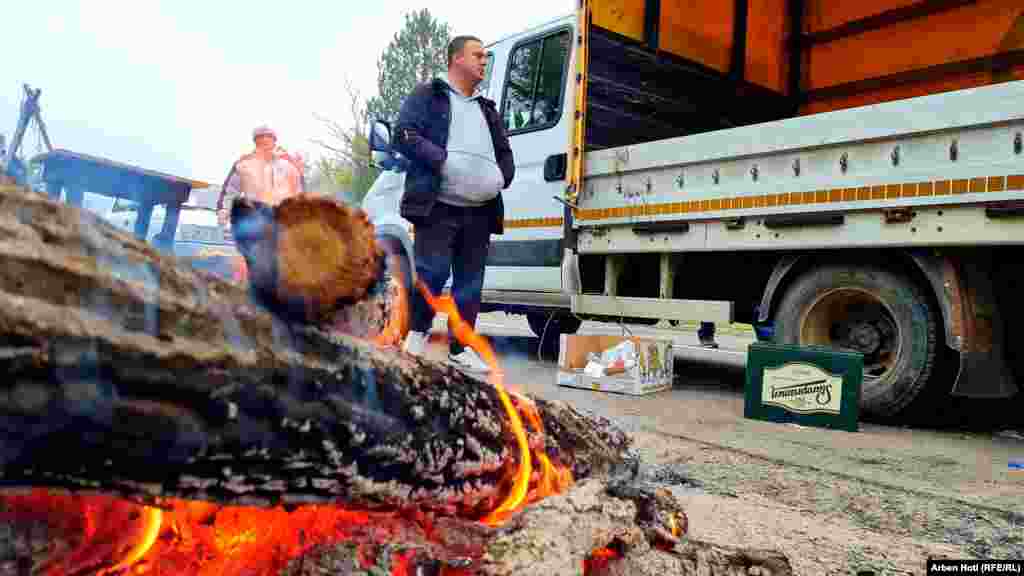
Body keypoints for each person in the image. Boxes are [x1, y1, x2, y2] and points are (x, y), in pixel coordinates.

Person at [393, 35, 514, 374]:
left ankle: (462, 347)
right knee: (432, 273)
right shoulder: (428, 96)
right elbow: (404, 134)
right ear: (456, 59)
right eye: (478, 55)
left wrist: (502, 177)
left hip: (480, 210)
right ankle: (416, 336)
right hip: (438, 205)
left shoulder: (486, 108)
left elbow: (504, 153)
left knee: (470, 282)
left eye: (485, 57)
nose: (483, 61)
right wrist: (442, 161)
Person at [216, 125, 305, 281]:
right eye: (260, 139)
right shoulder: (244, 164)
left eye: (268, 138)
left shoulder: (289, 166)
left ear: (274, 141)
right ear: (255, 142)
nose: (264, 142)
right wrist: (224, 209)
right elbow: (230, 190)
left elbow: (299, 194)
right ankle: (244, 289)